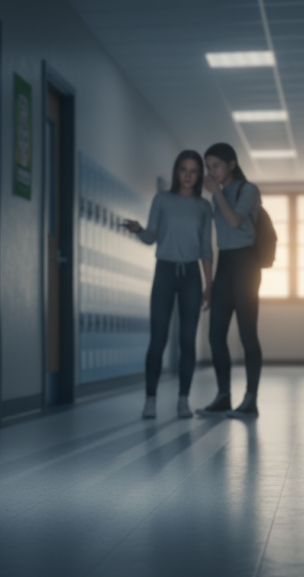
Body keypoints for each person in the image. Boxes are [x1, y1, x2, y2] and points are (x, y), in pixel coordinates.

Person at [124, 150, 214, 419]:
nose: (188, 175)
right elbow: (151, 237)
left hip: (190, 275)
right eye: (183, 170)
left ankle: (183, 400)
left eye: (194, 171)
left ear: (199, 175)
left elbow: (206, 249)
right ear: (177, 171)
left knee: (187, 341)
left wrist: (209, 285)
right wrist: (139, 229)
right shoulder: (161, 199)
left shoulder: (203, 207)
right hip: (164, 271)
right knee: (158, 338)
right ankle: (150, 399)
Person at [196, 143, 263, 418]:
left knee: (247, 334)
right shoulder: (217, 196)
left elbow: (235, 221)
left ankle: (250, 400)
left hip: (246, 264)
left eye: (217, 165)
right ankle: (223, 396)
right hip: (225, 265)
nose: (211, 172)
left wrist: (217, 194)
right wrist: (209, 284)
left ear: (232, 165)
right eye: (208, 166)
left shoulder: (248, 190)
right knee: (215, 335)